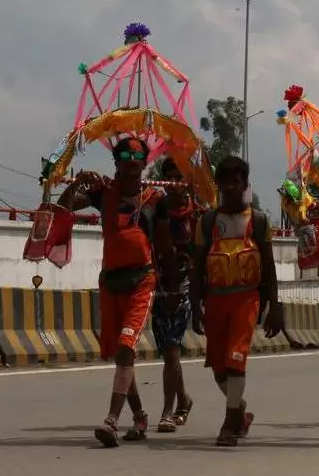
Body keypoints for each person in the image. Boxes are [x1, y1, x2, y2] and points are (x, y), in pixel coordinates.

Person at [59, 137, 174, 447]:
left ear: (144, 162)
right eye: (124, 156)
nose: (130, 162)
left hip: (141, 282)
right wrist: (79, 183)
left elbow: (164, 247)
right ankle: (139, 416)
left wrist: (172, 287)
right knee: (121, 356)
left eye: (137, 157)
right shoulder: (103, 193)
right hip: (110, 283)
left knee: (125, 347)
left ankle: (111, 420)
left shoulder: (155, 199)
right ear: (117, 162)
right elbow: (64, 207)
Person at [190, 156, 284, 447]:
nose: (231, 187)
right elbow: (196, 268)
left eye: (237, 182)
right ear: (218, 185)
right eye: (226, 182)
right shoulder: (206, 222)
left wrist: (274, 307)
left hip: (246, 300)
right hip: (215, 302)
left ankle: (230, 421)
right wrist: (195, 306)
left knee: (235, 360)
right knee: (219, 369)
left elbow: (268, 266)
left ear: (245, 184)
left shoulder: (257, 221)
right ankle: (239, 408)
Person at [151, 158, 195, 433]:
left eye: (180, 177)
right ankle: (184, 399)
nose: (175, 182)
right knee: (168, 351)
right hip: (157, 285)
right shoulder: (154, 209)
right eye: (170, 176)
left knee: (171, 349)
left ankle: (167, 411)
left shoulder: (198, 212)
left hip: (185, 288)